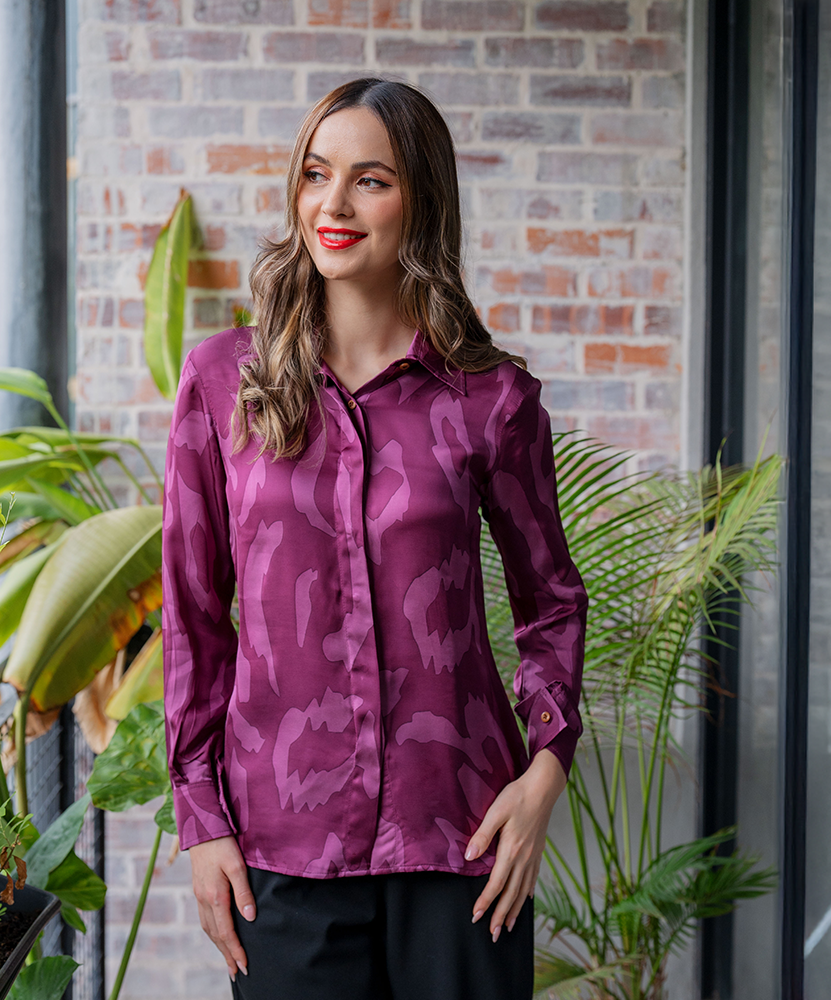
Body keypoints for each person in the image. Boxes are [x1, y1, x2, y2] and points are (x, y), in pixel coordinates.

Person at [162, 77, 588, 1000]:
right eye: (316, 174)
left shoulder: (492, 399)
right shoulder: (221, 383)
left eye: (371, 180)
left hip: (462, 841)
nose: (334, 204)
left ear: (421, 201)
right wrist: (201, 820)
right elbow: (193, 616)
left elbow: (551, 601)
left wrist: (545, 770)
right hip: (282, 848)